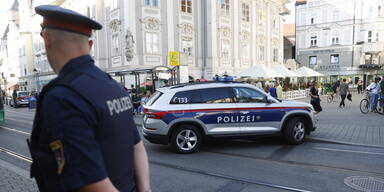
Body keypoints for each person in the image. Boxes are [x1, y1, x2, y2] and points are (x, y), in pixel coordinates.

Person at [28, 5, 150, 192]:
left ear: (47, 39)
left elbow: (91, 182)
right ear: (90, 45)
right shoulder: (114, 87)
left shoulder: (63, 96)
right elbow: (137, 146)